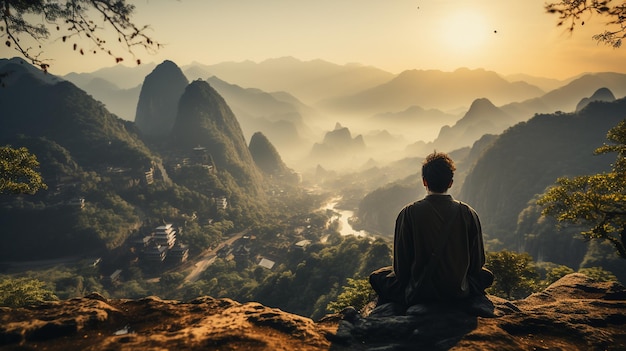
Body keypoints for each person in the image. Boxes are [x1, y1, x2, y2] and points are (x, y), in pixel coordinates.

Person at [369, 151, 493, 314]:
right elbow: (477, 264)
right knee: (487, 275)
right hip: (458, 292)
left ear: (424, 181)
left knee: (377, 277)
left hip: (420, 293)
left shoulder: (408, 213)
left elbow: (401, 269)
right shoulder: (468, 213)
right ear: (450, 183)